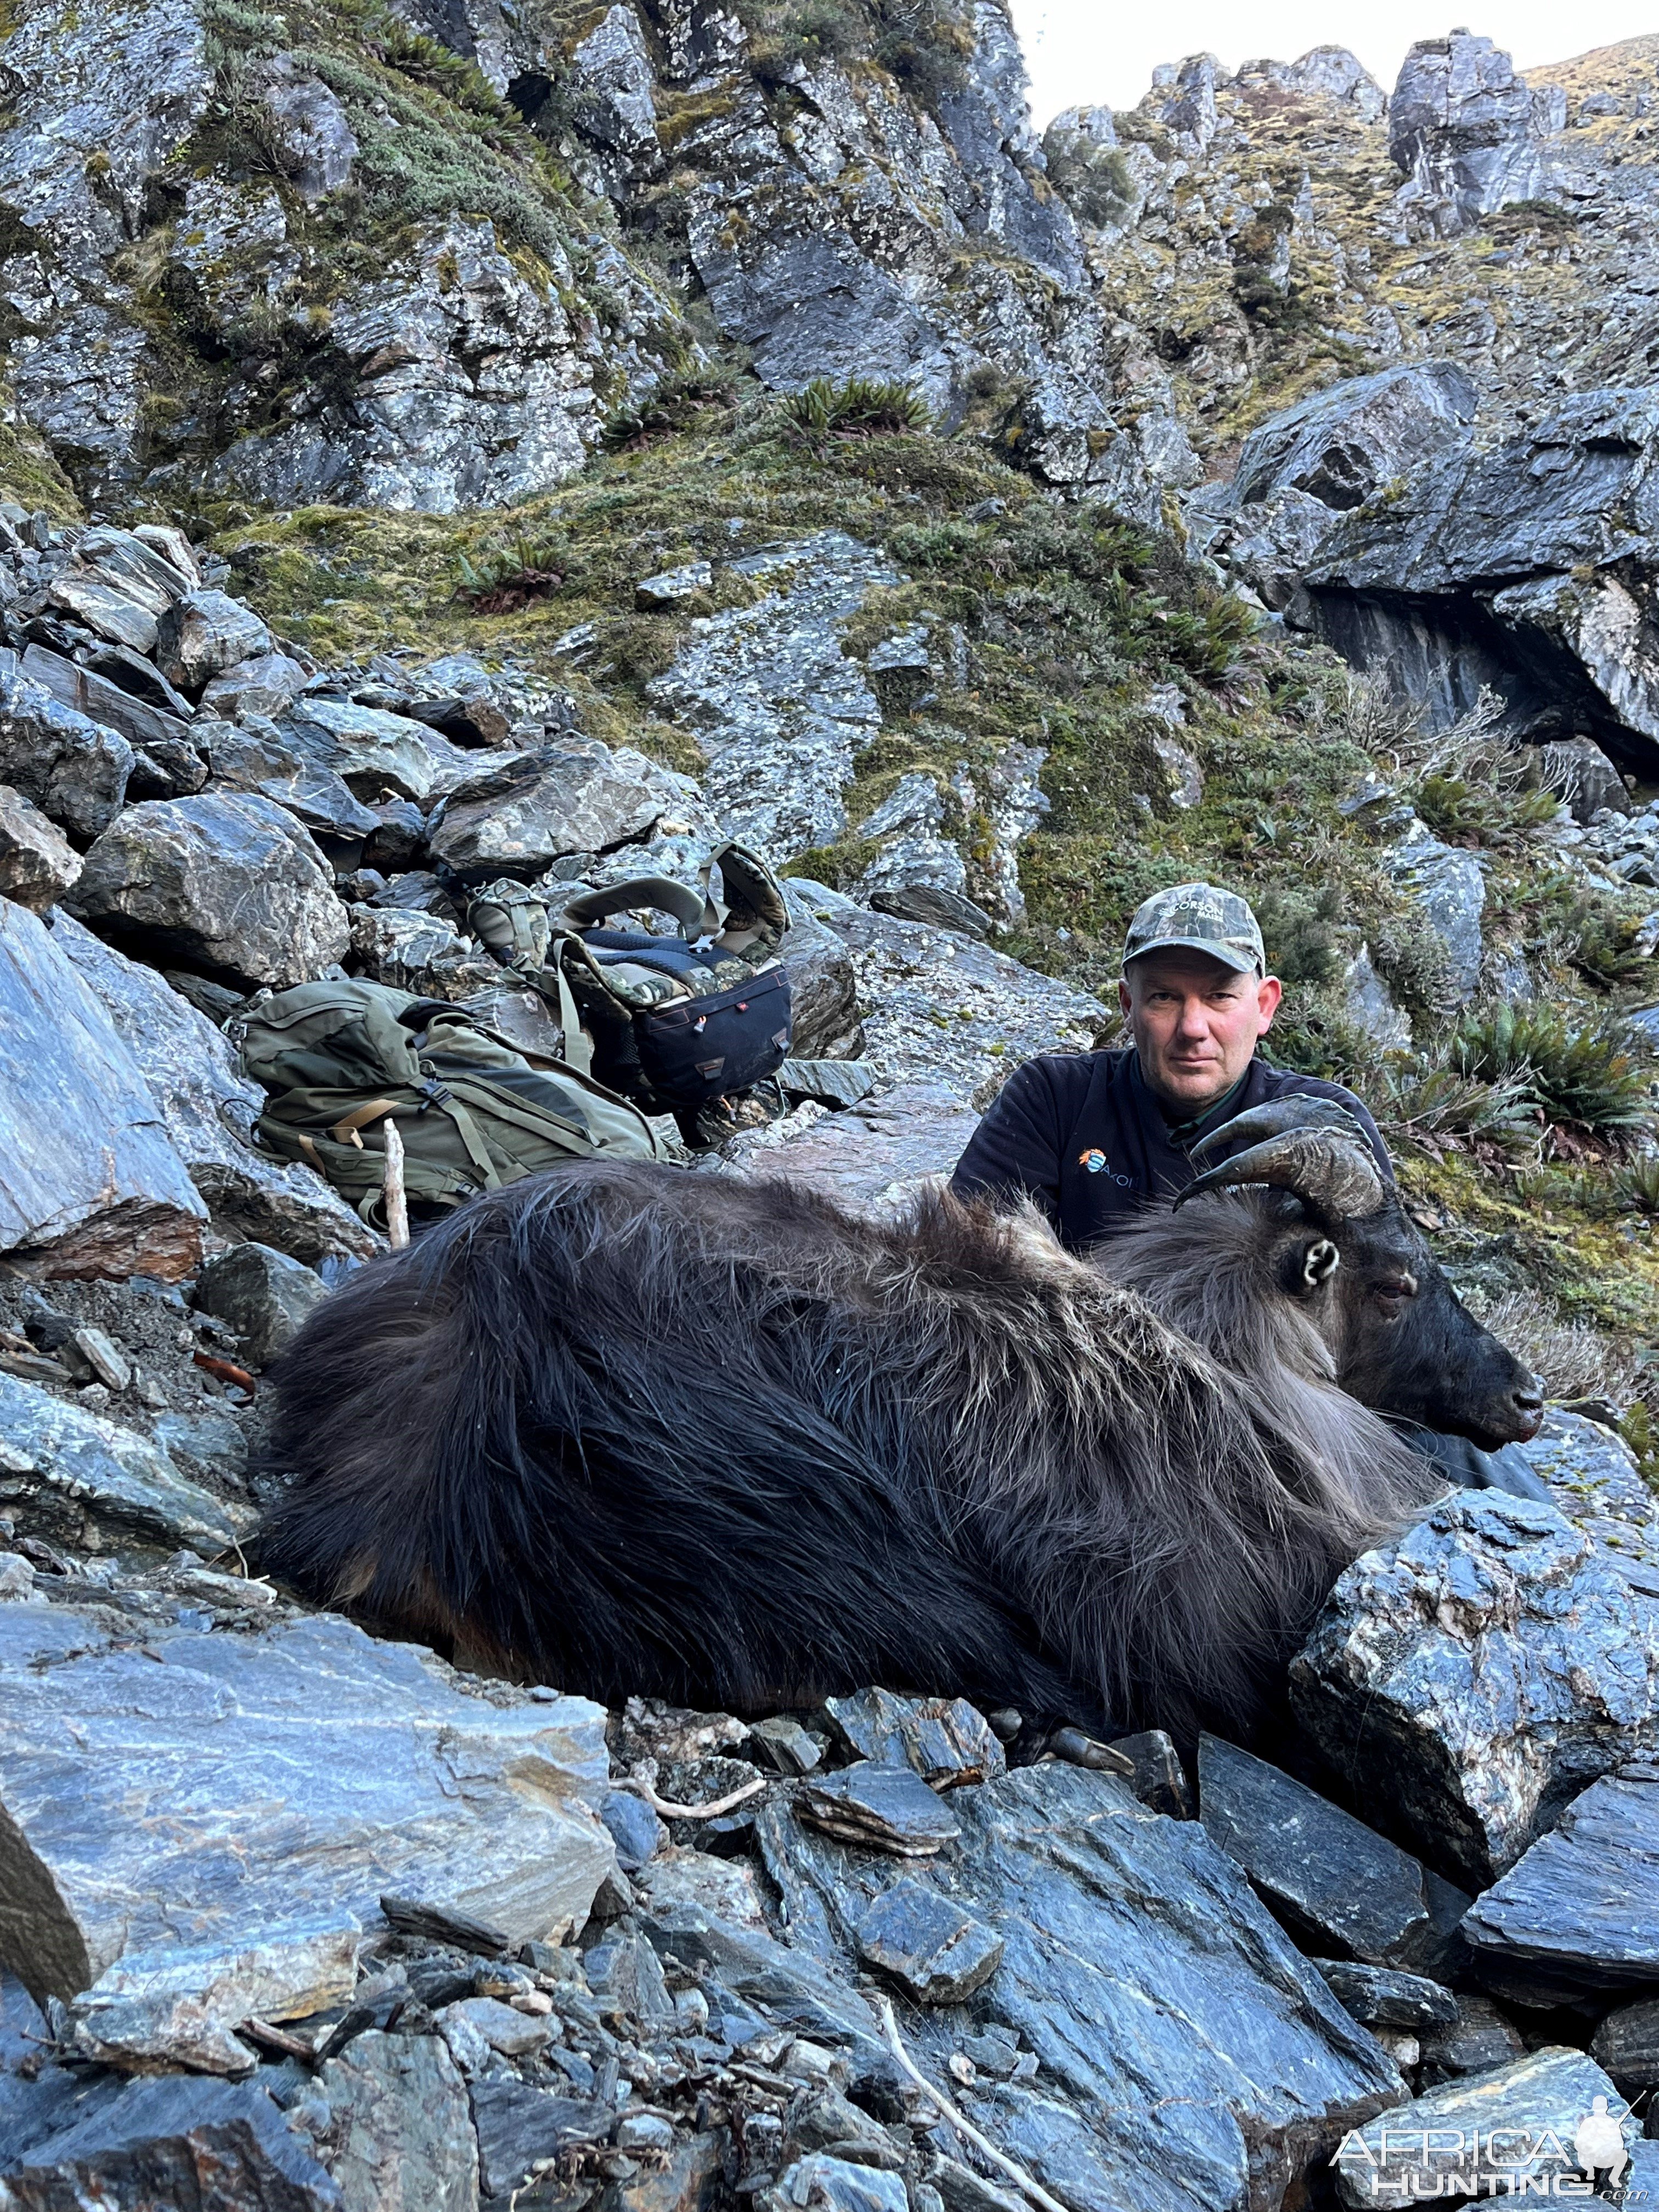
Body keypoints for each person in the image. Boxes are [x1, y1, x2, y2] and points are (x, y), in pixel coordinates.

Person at [950, 881, 1551, 1503]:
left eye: (1220, 997)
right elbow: (968, 1266)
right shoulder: (1055, 1096)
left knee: (1471, 1468)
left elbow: (1375, 1304)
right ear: (1127, 1004)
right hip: (1083, 1394)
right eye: (1163, 997)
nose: (1193, 1028)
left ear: (1264, 1006)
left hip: (1282, 1404)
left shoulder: (1322, 1125)